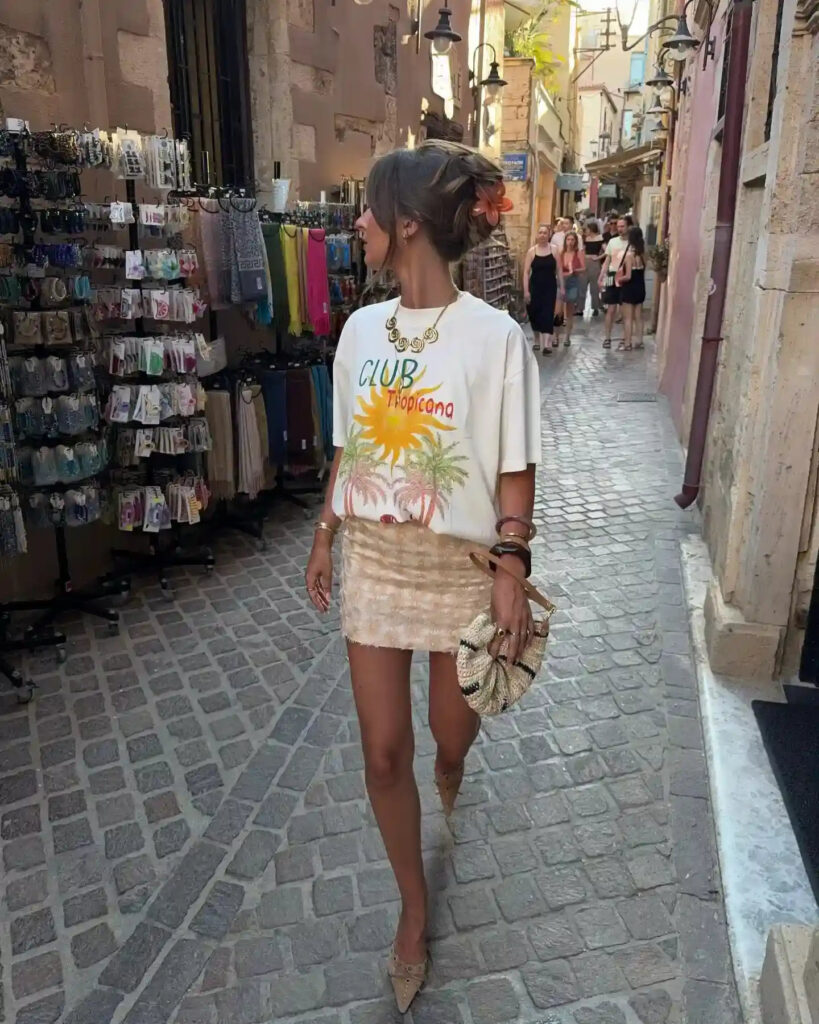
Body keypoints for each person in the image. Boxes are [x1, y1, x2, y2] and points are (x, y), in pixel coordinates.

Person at [305, 140, 541, 1015]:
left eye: (368, 209)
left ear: (406, 223)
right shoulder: (360, 331)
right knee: (381, 750)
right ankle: (412, 907)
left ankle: (453, 768)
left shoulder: (495, 338)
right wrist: (326, 531)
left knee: (450, 733)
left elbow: (514, 466)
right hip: (374, 560)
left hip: (457, 571)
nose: (355, 223)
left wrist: (511, 565)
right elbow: (349, 446)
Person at [524, 223, 562, 354]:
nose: (542, 235)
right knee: (534, 313)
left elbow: (559, 270)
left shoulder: (554, 250)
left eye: (545, 233)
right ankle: (536, 339)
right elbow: (526, 272)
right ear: (537, 235)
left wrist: (561, 287)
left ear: (549, 235)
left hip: (549, 286)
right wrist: (526, 291)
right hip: (535, 286)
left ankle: (547, 344)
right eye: (540, 232)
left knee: (547, 313)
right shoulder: (531, 251)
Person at [598, 216, 629, 349]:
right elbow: (607, 260)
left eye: (622, 226)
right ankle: (607, 338)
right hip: (612, 275)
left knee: (624, 311)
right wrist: (601, 275)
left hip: (625, 278)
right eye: (618, 226)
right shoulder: (612, 242)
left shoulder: (632, 243)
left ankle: (624, 338)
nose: (620, 228)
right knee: (610, 309)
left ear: (628, 227)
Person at [617, 225, 646, 350]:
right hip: (640, 287)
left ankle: (627, 343)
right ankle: (639, 340)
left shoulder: (629, 256)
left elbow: (628, 276)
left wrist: (618, 279)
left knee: (628, 318)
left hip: (629, 288)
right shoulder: (644, 254)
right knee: (638, 316)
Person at [559, 231, 586, 346]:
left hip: (572, 281)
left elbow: (583, 268)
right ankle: (555, 336)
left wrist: (574, 271)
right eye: (568, 239)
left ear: (575, 242)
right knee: (558, 310)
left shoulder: (578, 253)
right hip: (561, 282)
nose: (570, 242)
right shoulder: (561, 253)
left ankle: (567, 336)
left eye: (572, 240)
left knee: (570, 311)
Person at [582, 218, 604, 317]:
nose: (586, 230)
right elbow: (583, 250)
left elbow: (607, 250)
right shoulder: (586, 239)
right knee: (582, 285)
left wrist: (598, 257)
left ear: (591, 229)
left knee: (594, 287)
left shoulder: (600, 238)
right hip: (585, 261)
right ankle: (580, 308)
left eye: (587, 229)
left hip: (594, 263)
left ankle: (595, 307)